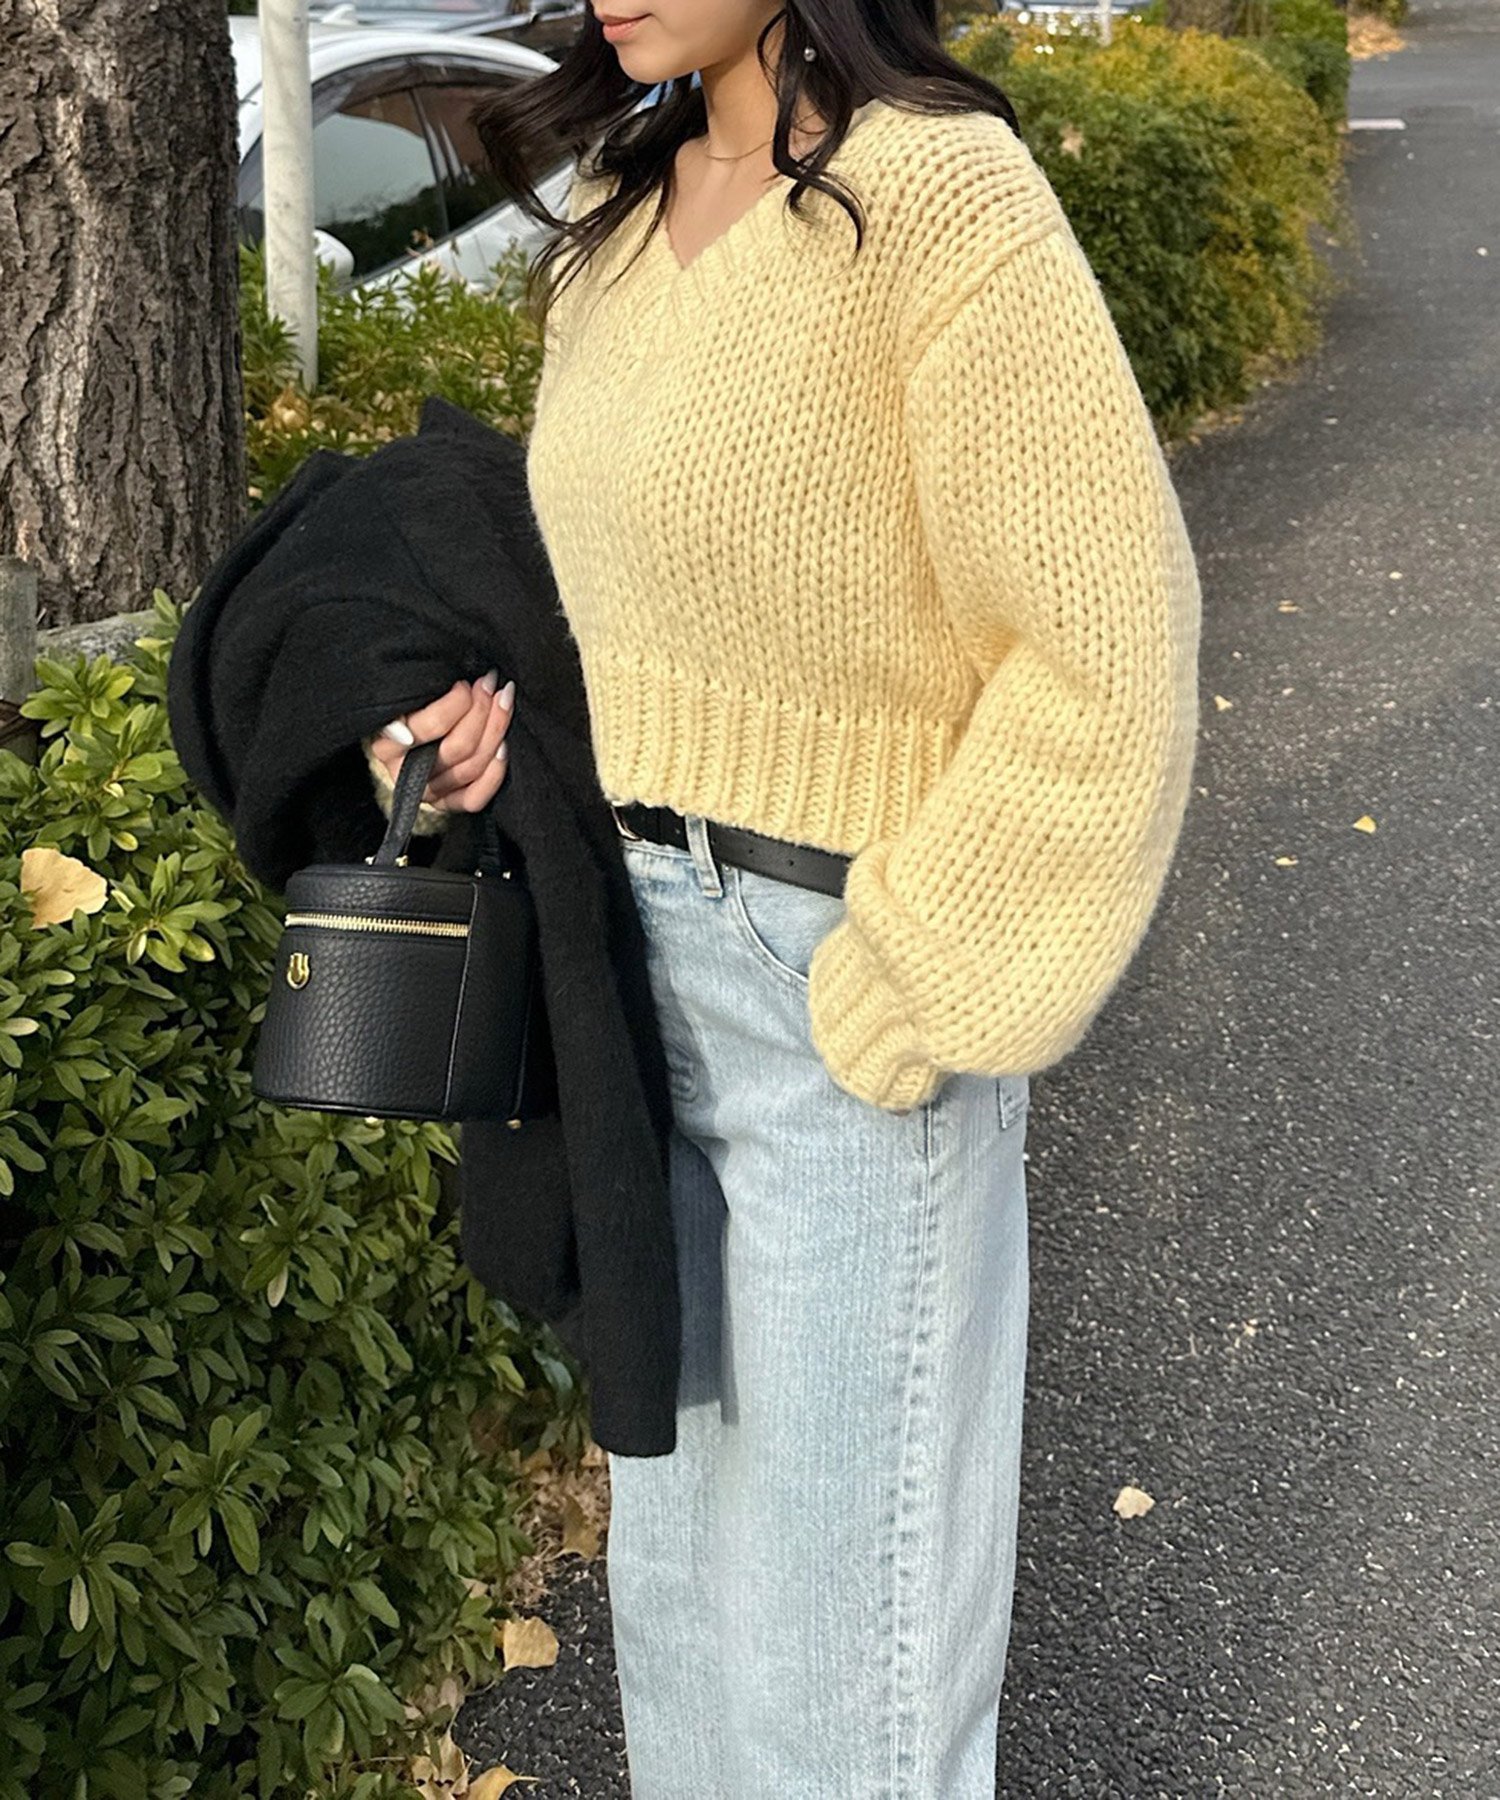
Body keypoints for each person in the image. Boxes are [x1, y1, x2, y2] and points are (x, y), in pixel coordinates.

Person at [364, 1, 1202, 1792]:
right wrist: (485, 737)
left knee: (845, 1685)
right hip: (631, 980)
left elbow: (1106, 642)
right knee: (686, 1647)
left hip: (834, 992)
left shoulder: (941, 195)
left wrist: (928, 968)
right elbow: (613, 610)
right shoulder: (624, 213)